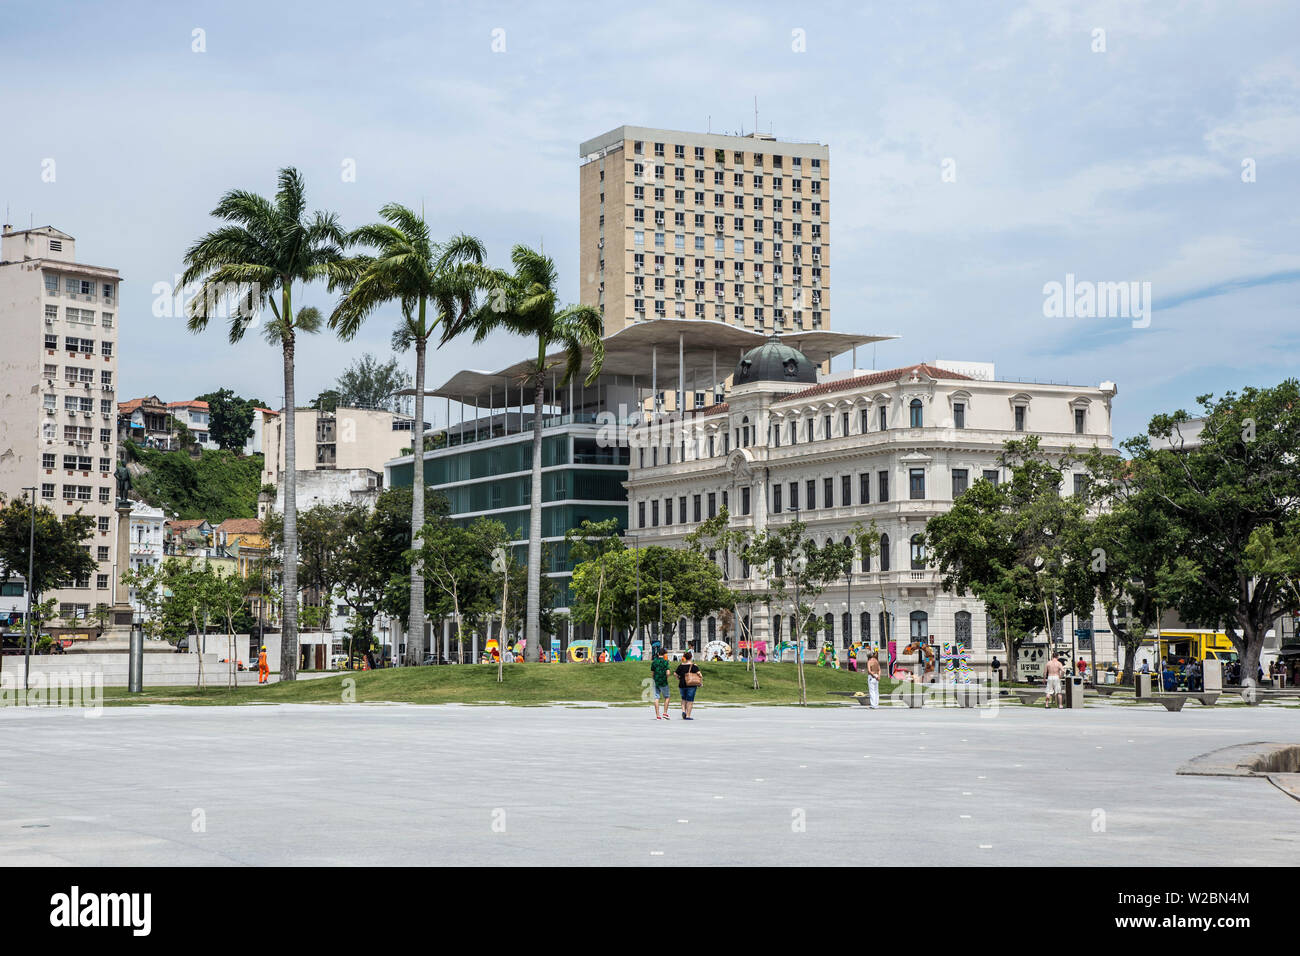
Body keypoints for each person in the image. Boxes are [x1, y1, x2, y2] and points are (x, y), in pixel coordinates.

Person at [675, 650, 702, 720]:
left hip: (682, 684)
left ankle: (683, 711)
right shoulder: (694, 666)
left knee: (683, 698)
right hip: (691, 685)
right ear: (691, 657)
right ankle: (688, 715)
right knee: (690, 700)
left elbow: (675, 674)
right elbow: (700, 675)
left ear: (685, 657)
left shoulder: (680, 665)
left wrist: (678, 678)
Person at [650, 648, 673, 720]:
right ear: (664, 654)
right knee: (667, 697)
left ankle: (657, 715)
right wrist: (666, 677)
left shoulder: (654, 662)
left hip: (656, 681)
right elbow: (668, 673)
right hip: (663, 682)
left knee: (656, 697)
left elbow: (652, 673)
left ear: (658, 654)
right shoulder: (666, 662)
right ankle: (665, 713)